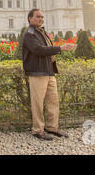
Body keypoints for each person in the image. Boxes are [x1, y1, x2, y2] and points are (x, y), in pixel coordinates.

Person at [22, 9, 76, 140]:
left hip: (48, 71)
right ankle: (37, 130)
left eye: (42, 17)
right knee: (38, 103)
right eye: (38, 17)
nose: (41, 19)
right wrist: (60, 48)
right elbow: (37, 50)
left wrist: (58, 49)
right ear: (30, 18)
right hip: (37, 72)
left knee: (53, 101)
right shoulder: (30, 33)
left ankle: (52, 127)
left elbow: (45, 49)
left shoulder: (40, 31)